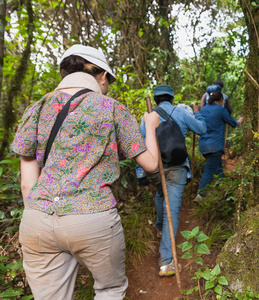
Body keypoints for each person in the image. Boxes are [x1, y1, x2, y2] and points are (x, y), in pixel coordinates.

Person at [11, 44, 161, 300]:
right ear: (101, 75)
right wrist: (150, 126)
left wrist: (44, 218)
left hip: (36, 218)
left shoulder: (35, 108)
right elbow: (150, 164)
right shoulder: (111, 107)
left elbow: (28, 183)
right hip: (91, 217)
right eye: (108, 81)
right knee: (110, 290)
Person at [135, 84, 207, 276]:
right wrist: (198, 113)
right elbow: (202, 129)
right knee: (172, 210)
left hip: (155, 168)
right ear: (172, 98)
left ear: (156, 99)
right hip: (177, 168)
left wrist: (140, 173)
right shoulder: (181, 112)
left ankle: (159, 228)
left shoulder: (147, 117)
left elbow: (140, 145)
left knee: (160, 193)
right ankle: (167, 261)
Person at [196, 84, 243, 199]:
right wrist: (240, 121)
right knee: (210, 169)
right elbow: (233, 123)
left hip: (203, 146)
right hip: (214, 146)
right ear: (221, 100)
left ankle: (220, 188)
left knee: (218, 166)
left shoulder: (203, 110)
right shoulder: (221, 110)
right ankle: (200, 196)